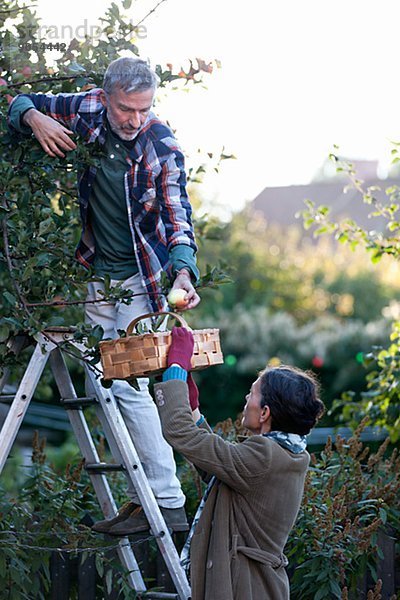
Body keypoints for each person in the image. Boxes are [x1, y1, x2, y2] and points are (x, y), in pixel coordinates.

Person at [8, 57, 201, 533]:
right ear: (107, 97)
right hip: (97, 277)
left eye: (143, 109)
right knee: (105, 385)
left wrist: (184, 272)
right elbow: (16, 101)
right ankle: (145, 500)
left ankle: (168, 500)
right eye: (125, 110)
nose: (134, 120)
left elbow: (178, 214)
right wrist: (32, 117)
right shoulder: (89, 110)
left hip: (141, 278)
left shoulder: (161, 142)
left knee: (129, 384)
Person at [153, 327, 325, 600]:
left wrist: (175, 367)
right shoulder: (288, 454)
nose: (247, 399)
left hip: (243, 588)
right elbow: (219, 468)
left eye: (252, 393)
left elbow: (179, 432)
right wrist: (193, 407)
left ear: (265, 412)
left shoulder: (264, 455)